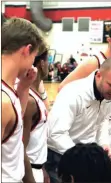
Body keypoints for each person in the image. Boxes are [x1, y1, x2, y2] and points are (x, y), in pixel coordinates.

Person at [58, 21, 111, 167]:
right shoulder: (94, 62)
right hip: (100, 123)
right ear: (109, 40)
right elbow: (64, 87)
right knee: (100, 167)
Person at [45, 58, 111, 183]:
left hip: (84, 158)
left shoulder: (108, 94)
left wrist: (103, 143)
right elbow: (56, 134)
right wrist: (83, 158)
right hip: (59, 156)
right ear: (98, 75)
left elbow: (103, 121)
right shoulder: (73, 93)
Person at [2, 17, 43, 182]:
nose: (33, 63)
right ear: (27, 50)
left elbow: (14, 124)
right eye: (34, 56)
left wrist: (24, 88)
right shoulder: (2, 102)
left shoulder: (9, 89)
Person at [22, 47, 50, 183]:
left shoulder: (34, 95)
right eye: (48, 60)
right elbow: (20, 148)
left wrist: (42, 167)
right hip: (27, 173)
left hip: (36, 167)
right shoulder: (29, 101)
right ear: (42, 63)